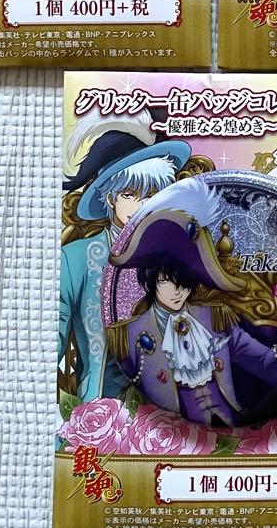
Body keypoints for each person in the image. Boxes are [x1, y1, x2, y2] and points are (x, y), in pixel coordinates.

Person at [106, 178, 277, 427]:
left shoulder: (215, 318)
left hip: (233, 425)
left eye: (184, 283)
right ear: (150, 282)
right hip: (174, 433)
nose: (177, 292)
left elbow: (268, 367)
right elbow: (119, 393)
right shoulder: (128, 335)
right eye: (166, 281)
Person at [60, 112, 191, 404]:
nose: (143, 205)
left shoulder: (178, 254)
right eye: (131, 194)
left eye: (153, 194)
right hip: (105, 408)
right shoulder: (76, 259)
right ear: (111, 198)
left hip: (178, 406)